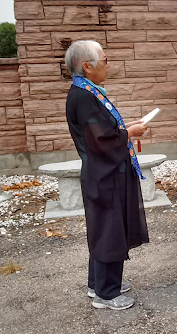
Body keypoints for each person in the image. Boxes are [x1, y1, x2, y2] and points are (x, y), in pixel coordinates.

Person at [65, 40, 149, 310]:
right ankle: (107, 294)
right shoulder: (84, 97)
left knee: (104, 230)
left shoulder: (86, 92)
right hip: (105, 175)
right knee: (108, 231)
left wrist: (126, 128)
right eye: (104, 61)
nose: (108, 65)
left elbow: (102, 131)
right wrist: (129, 133)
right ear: (87, 67)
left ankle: (98, 284)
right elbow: (100, 141)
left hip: (105, 173)